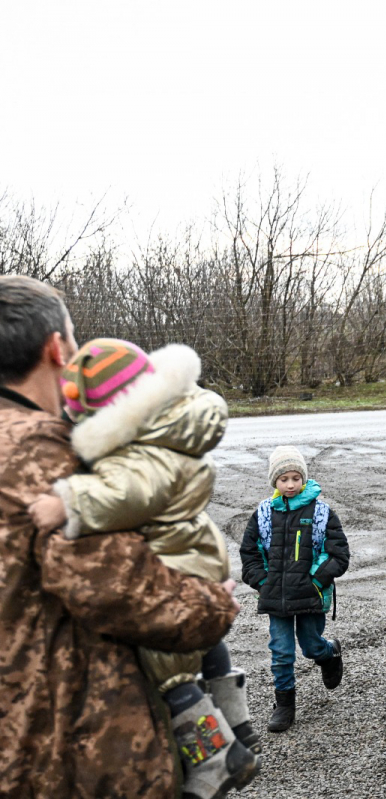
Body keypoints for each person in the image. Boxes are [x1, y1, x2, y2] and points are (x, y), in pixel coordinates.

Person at [0, 275, 238, 798]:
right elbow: (115, 585)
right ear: (57, 348)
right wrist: (211, 606)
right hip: (64, 748)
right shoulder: (44, 453)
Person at [239, 446, 350, 733]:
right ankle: (285, 705)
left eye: (295, 478)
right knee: (281, 651)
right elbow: (250, 552)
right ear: (274, 481)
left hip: (311, 594)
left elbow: (338, 553)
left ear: (303, 478)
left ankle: (329, 654)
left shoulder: (321, 512)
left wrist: (316, 580)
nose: (290, 484)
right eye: (283, 479)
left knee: (310, 645)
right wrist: (263, 582)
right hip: (275, 596)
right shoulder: (263, 513)